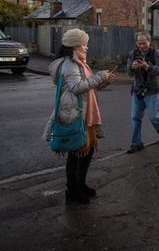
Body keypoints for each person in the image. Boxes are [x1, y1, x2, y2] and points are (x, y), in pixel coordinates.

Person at [44, 28, 115, 205]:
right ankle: (72, 190)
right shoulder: (70, 64)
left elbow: (89, 87)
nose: (86, 48)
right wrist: (99, 76)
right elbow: (77, 88)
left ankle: (81, 185)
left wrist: (104, 79)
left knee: (87, 150)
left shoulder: (79, 63)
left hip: (86, 112)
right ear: (75, 47)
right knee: (77, 153)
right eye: (84, 44)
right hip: (76, 114)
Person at [126, 31, 159, 154]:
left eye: (144, 43)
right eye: (139, 43)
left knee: (153, 116)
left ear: (149, 42)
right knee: (135, 118)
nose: (142, 46)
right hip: (138, 90)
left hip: (152, 90)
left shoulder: (157, 54)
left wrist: (147, 67)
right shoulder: (132, 54)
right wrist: (132, 67)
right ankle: (136, 143)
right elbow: (128, 73)